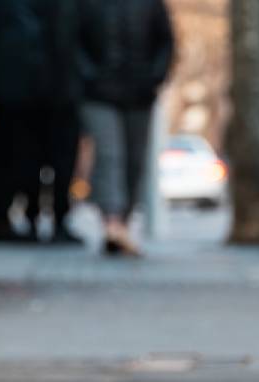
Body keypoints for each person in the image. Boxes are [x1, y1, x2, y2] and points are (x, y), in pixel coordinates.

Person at [0, 0, 83, 244]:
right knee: (18, 160)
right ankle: (11, 218)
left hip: (58, 90)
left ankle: (54, 218)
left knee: (58, 159)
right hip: (16, 92)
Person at [77, 0, 175, 256]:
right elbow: (73, 41)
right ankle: (112, 222)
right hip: (98, 94)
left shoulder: (150, 5)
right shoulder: (87, 5)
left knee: (134, 159)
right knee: (110, 155)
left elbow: (166, 41)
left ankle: (123, 222)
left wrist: (154, 78)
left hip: (139, 95)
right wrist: (89, 78)